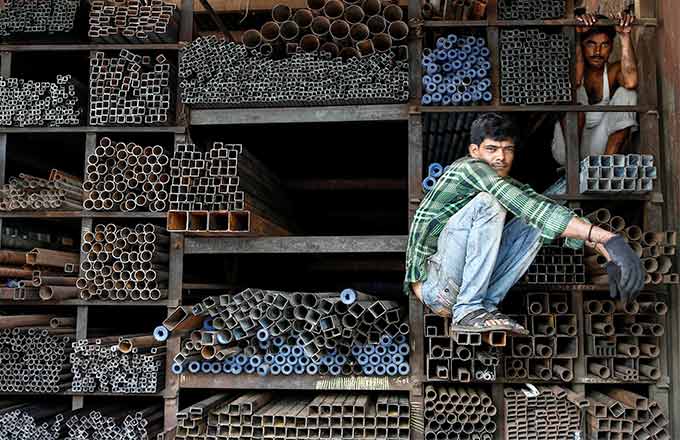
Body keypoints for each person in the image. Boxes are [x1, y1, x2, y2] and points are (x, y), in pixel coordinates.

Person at [405, 113, 644, 333]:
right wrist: (607, 237)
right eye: (492, 149)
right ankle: (469, 309)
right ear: (474, 150)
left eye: (507, 149)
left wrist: (609, 253)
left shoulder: (501, 181)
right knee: (490, 203)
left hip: (456, 285)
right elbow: (523, 204)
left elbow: (541, 208)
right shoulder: (469, 168)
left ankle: (483, 306)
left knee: (540, 219)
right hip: (435, 287)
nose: (501, 157)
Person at [550, 12, 639, 193]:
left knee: (628, 94)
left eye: (604, 45)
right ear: (582, 46)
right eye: (591, 44)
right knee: (574, 100)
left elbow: (630, 81)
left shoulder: (612, 71)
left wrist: (624, 36)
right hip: (567, 150)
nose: (597, 52)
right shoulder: (573, 69)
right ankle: (574, 174)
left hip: (599, 149)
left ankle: (605, 170)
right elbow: (574, 81)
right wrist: (576, 34)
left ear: (611, 46)